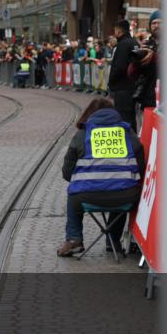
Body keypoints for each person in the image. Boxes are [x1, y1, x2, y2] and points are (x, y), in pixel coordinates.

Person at [57, 98, 145, 257]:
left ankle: (74, 239)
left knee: (73, 195)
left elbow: (67, 172)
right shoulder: (128, 133)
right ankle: (113, 240)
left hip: (87, 196)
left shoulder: (82, 134)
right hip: (126, 198)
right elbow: (140, 168)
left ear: (89, 114)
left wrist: (91, 181)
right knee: (122, 188)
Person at [107, 20, 139, 128]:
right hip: (132, 86)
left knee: (123, 118)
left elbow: (119, 67)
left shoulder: (122, 45)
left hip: (122, 88)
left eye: (115, 29)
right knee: (131, 117)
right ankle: (133, 141)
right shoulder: (134, 42)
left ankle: (127, 142)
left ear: (119, 30)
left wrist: (111, 82)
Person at [134, 9, 161, 114]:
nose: (156, 25)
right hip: (147, 98)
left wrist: (154, 57)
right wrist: (135, 63)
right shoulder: (147, 44)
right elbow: (132, 74)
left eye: (160, 22)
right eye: (153, 23)